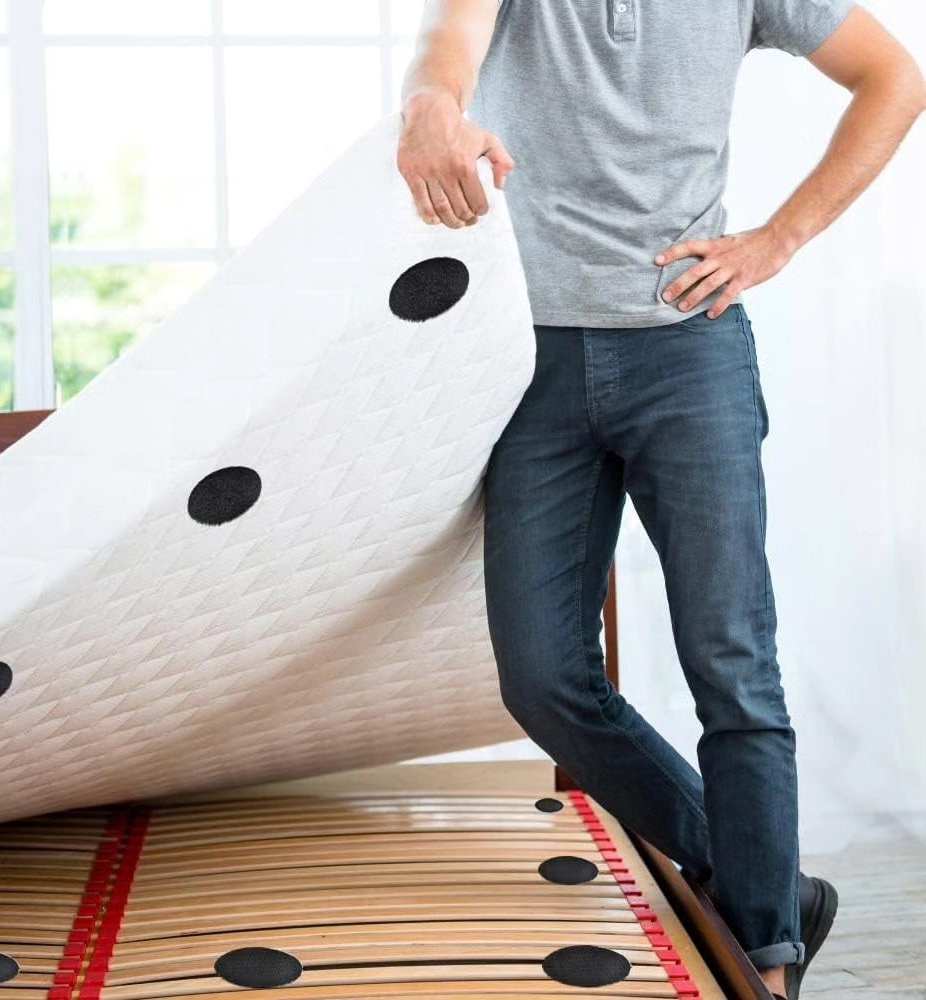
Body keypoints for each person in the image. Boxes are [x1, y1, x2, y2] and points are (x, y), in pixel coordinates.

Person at [395, 2, 925, 998]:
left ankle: (767, 960)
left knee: (732, 664)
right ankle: (763, 882)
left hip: (690, 350)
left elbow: (895, 77)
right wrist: (431, 102)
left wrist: (778, 238)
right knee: (543, 678)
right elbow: (449, 39)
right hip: (530, 355)